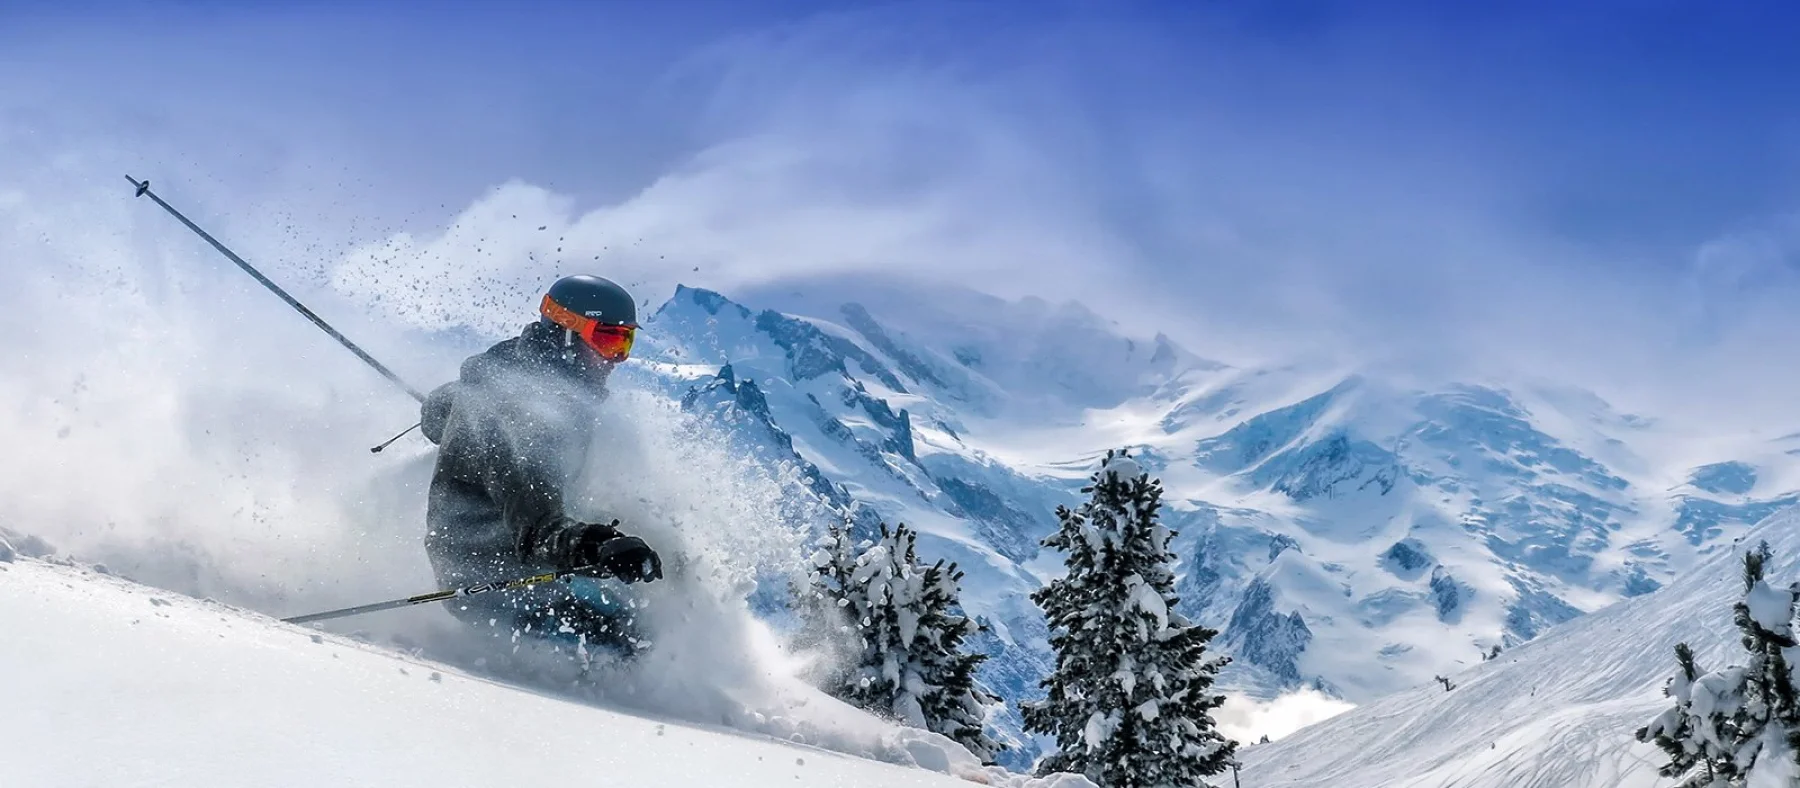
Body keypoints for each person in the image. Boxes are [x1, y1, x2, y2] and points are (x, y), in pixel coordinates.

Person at [418, 274, 664, 659]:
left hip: (512, 560)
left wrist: (452, 425)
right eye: (608, 340)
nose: (616, 359)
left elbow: (436, 410)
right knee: (635, 639)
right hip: (492, 582)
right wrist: (596, 545)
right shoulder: (523, 416)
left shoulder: (510, 370)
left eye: (625, 342)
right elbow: (536, 528)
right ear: (567, 333)